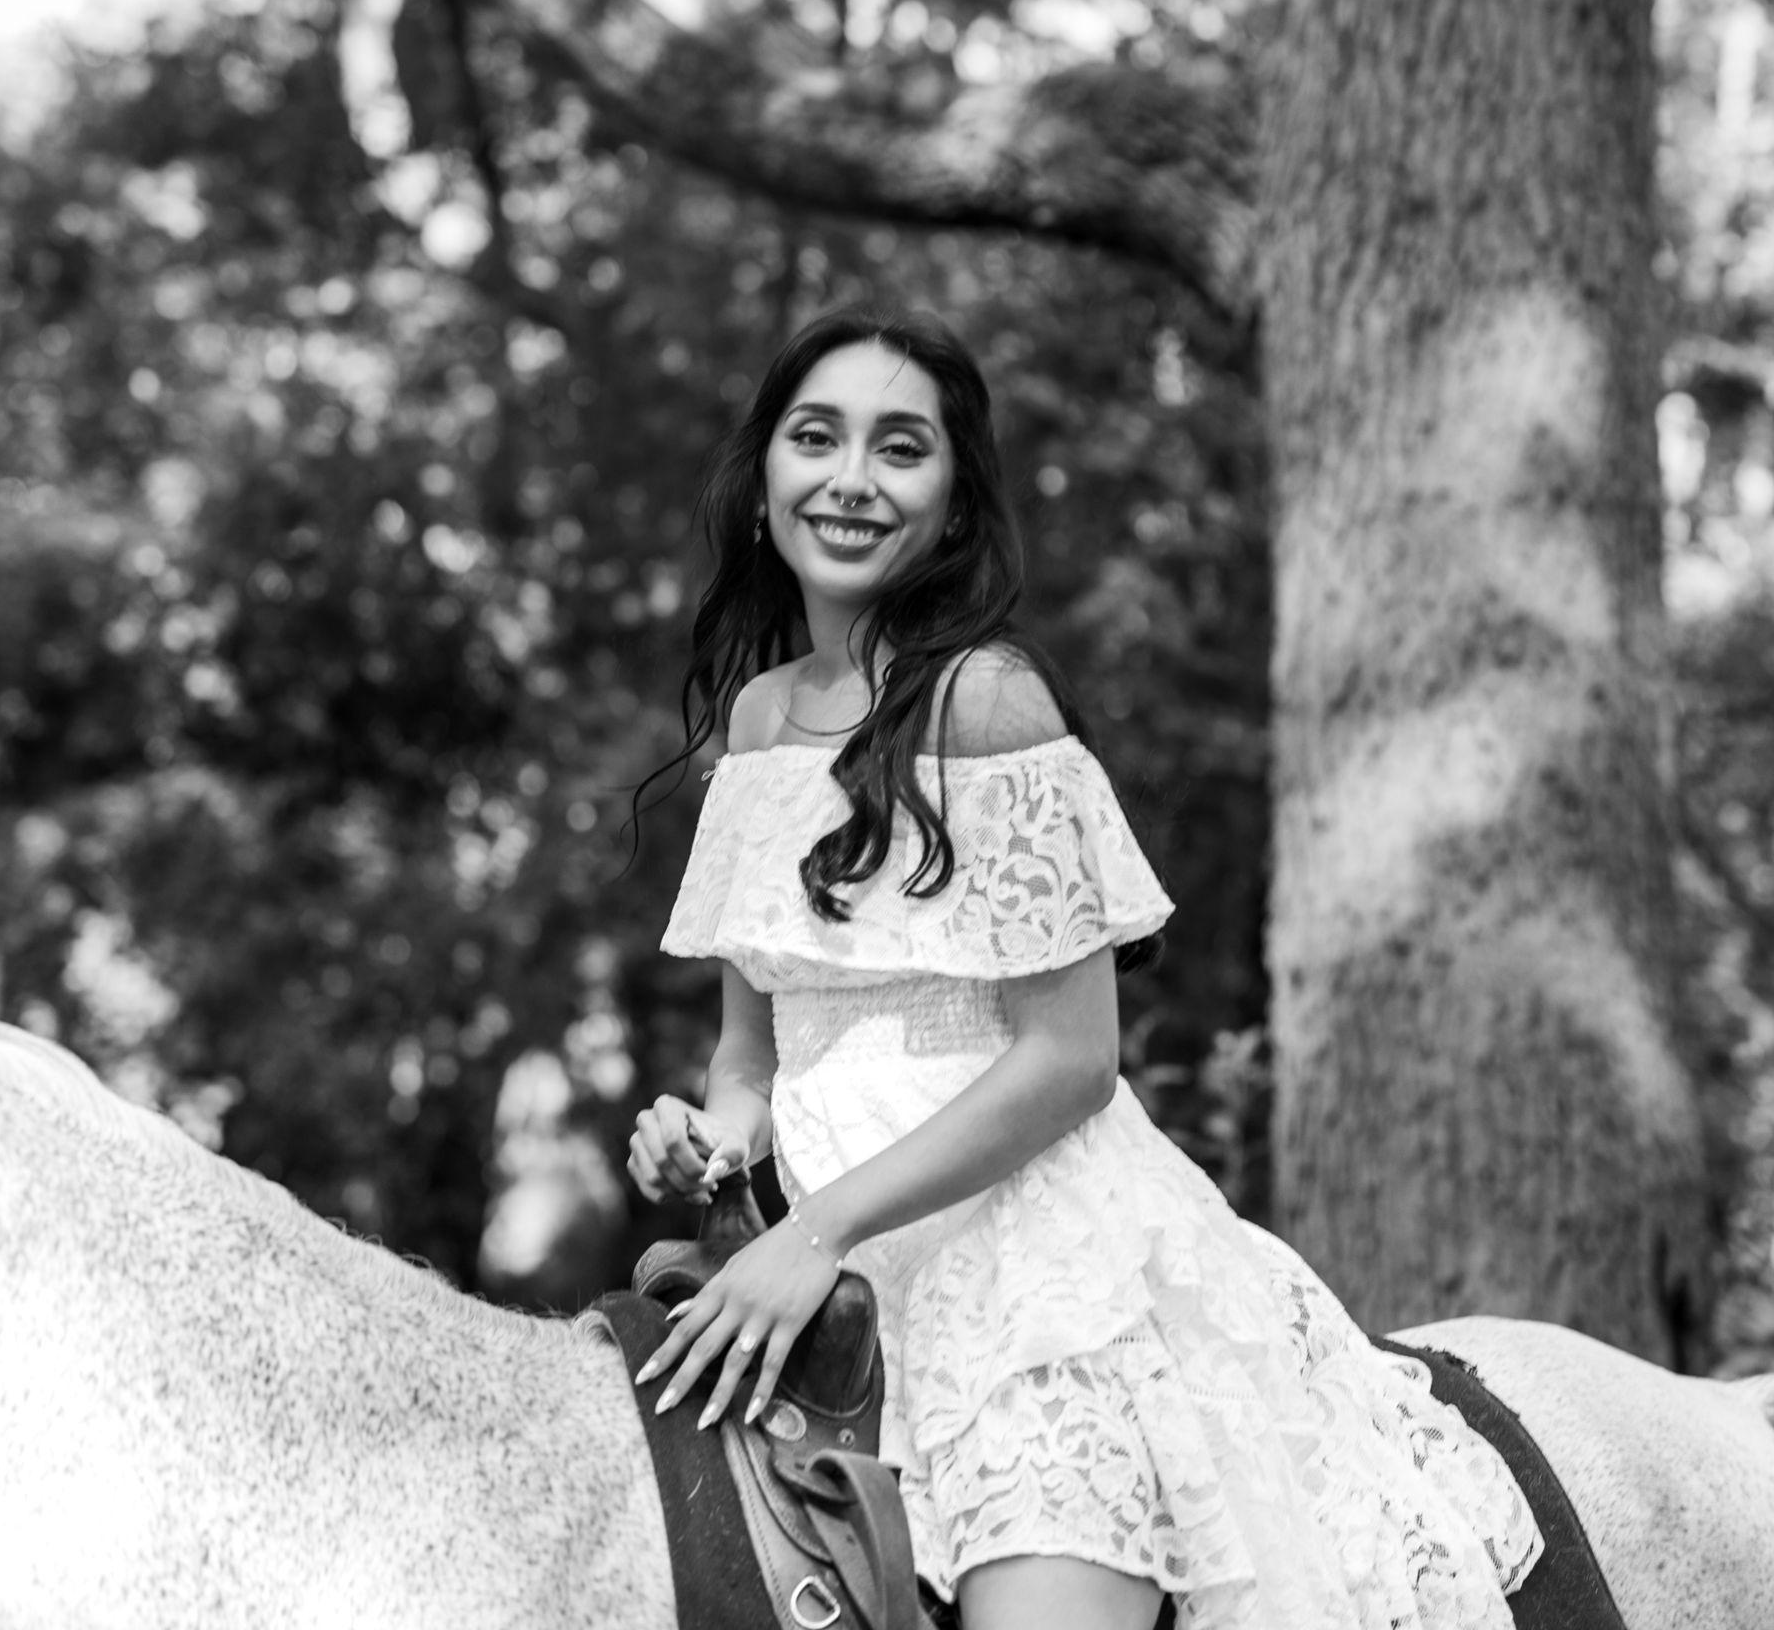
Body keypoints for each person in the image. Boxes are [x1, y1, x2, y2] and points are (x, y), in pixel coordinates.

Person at [626, 308, 1540, 1630]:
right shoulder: (756, 726)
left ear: (953, 506)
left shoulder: (987, 703)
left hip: (1032, 1272)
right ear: (764, 481)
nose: (851, 479)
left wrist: (819, 1233)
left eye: (901, 448)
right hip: (825, 1277)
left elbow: (1071, 1061)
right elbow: (752, 1052)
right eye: (816, 438)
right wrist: (710, 1142)